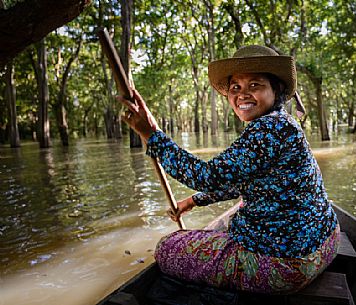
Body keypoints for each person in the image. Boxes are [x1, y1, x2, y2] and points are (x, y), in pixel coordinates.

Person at [118, 45, 340, 294]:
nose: (242, 95)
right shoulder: (283, 123)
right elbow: (241, 181)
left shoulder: (267, 129)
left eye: (254, 85)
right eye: (236, 87)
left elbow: (208, 177)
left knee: (167, 247)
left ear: (275, 89)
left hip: (286, 267)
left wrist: (152, 135)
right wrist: (194, 201)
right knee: (240, 214)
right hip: (327, 243)